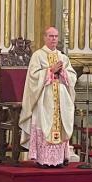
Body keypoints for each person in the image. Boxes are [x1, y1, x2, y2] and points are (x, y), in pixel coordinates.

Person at [20, 26, 77, 166]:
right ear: (45, 37)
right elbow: (33, 76)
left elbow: (72, 76)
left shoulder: (63, 57)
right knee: (44, 124)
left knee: (61, 123)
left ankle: (59, 159)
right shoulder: (38, 55)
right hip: (44, 97)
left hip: (61, 98)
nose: (54, 39)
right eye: (51, 36)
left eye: (56, 36)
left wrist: (63, 72)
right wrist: (50, 71)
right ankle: (43, 159)